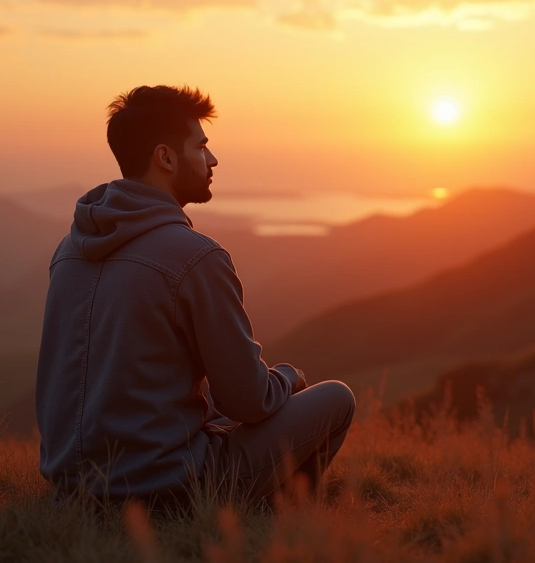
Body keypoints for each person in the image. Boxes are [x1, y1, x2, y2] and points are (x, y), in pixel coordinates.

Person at [35, 85, 355, 511]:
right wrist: (288, 378)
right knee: (336, 399)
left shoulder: (69, 251)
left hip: (70, 488)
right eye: (201, 147)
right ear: (165, 158)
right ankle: (273, 518)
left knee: (218, 412)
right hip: (167, 490)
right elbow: (247, 400)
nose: (213, 159)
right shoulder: (195, 257)